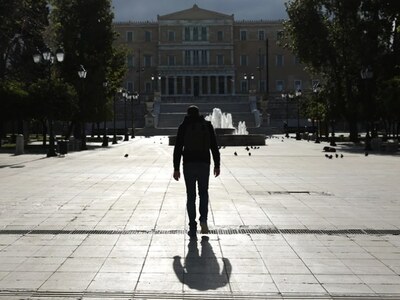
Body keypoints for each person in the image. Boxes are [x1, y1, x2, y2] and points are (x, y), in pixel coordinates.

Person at [173, 105, 220, 238]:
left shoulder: (184, 126)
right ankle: (203, 219)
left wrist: (176, 168)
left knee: (191, 196)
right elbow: (214, 146)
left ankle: (192, 226)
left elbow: (177, 148)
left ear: (187, 114)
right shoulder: (206, 125)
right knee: (203, 193)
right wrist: (217, 165)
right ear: (199, 113)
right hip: (204, 163)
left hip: (188, 163)